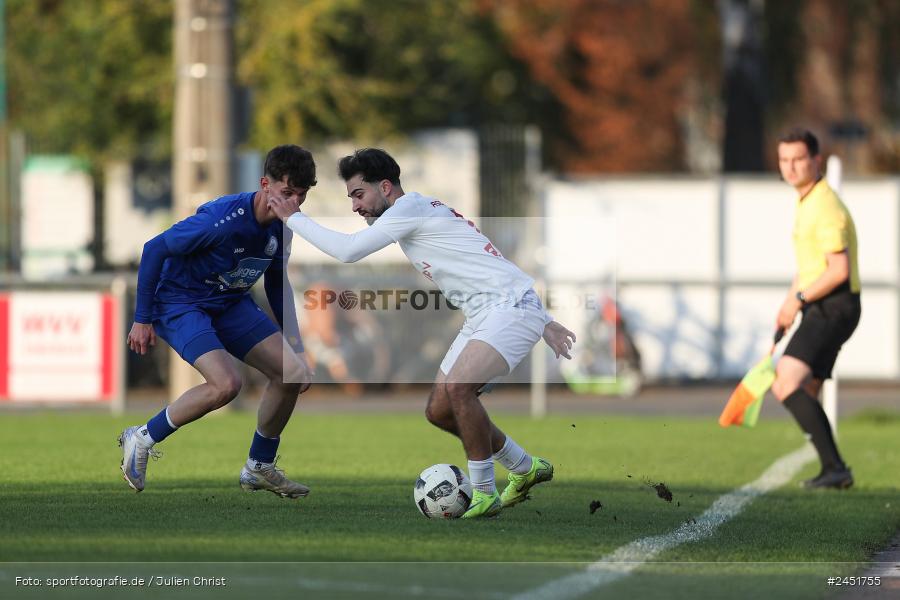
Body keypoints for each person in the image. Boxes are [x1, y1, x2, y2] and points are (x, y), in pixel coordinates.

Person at [267, 148, 576, 518]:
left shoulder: (407, 210)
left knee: (460, 390)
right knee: (440, 410)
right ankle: (526, 468)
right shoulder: (414, 210)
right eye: (351, 198)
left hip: (508, 309)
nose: (354, 206)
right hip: (488, 312)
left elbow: (348, 251)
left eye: (358, 195)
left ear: (385, 187)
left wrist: (293, 217)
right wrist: (546, 319)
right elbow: (489, 259)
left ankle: (483, 492)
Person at [120, 144, 316, 499]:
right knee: (226, 384)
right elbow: (154, 248)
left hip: (229, 301)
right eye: (287, 193)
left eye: (301, 195)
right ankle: (142, 437)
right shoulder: (221, 220)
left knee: (292, 373)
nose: (294, 204)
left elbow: (276, 282)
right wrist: (142, 318)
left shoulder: (284, 227)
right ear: (264, 184)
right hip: (181, 301)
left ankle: (259, 467)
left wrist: (297, 345)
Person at [771, 128, 860, 490]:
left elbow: (838, 270)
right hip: (822, 305)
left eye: (798, 159)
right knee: (807, 391)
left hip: (833, 306)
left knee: (785, 383)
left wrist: (800, 299)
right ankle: (833, 471)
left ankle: (835, 468)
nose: (791, 168)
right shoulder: (807, 201)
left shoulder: (825, 207)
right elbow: (810, 267)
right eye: (784, 160)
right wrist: (788, 302)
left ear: (816, 161)